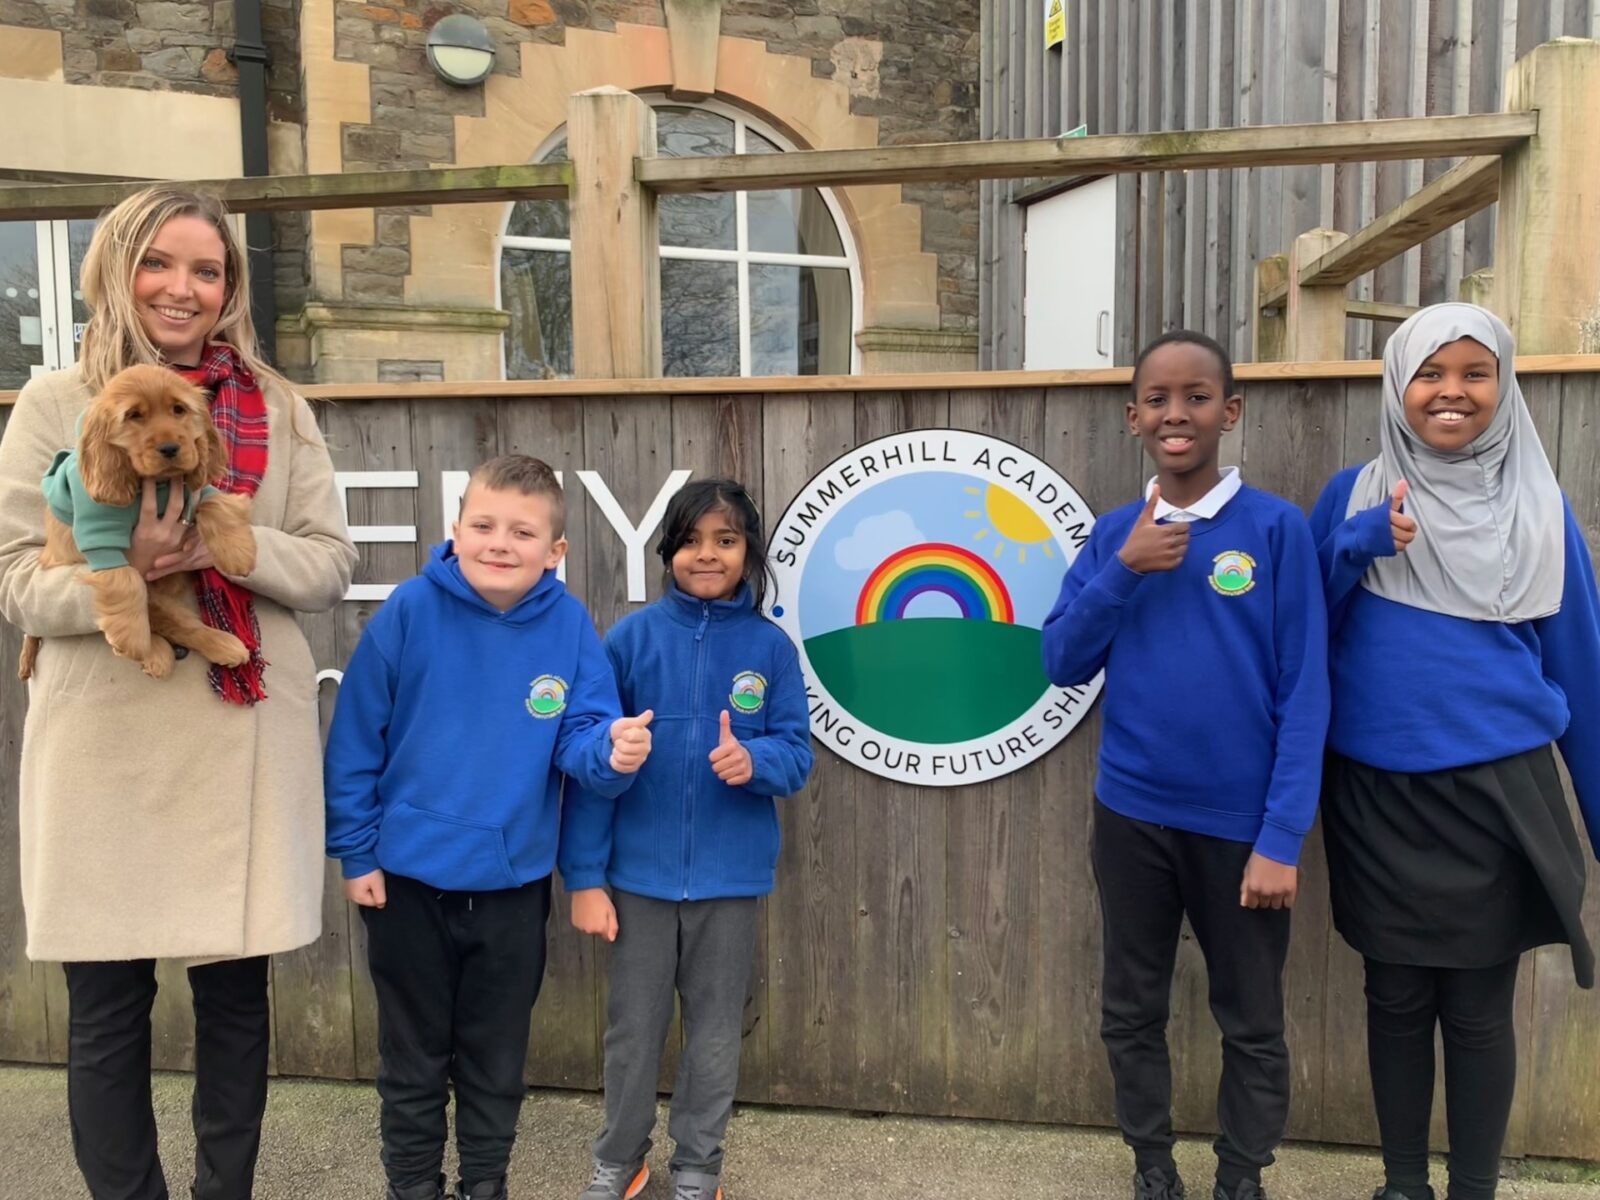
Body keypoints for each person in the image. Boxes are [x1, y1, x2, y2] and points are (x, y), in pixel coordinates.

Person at [0, 185, 357, 1200]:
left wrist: (219, 548)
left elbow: (330, 565)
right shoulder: (54, 403)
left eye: (208, 270)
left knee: (236, 999)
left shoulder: (277, 406)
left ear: (229, 288)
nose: (183, 288)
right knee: (105, 1004)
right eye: (161, 262)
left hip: (233, 728)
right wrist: (126, 574)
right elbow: (16, 577)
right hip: (102, 734)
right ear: (117, 266)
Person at [1309, 304, 1599, 1200]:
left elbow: (1581, 677)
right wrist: (1355, 548)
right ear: (1398, 384)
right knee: (1393, 1001)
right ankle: (1403, 1186)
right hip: (1376, 794)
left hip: (1497, 799)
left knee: (1476, 1010)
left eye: (1476, 373)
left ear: (1504, 385)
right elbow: (1297, 637)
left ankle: (1474, 1189)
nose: (1452, 392)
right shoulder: (1352, 498)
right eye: (1431, 373)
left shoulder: (1541, 513)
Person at [1040, 331, 1329, 1200]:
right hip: (1131, 817)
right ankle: (1153, 1168)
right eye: (1158, 399)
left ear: (1229, 412)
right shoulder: (1113, 537)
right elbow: (1060, 662)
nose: (1177, 413)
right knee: (1133, 1009)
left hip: (1243, 830)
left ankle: (1241, 1176)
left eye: (1197, 396)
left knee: (1251, 1018)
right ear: (1134, 418)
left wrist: (1281, 836)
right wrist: (1123, 571)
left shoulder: (1274, 530)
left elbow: (1306, 692)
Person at [324, 453, 655, 1200]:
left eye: (522, 531)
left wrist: (615, 750)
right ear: (456, 528)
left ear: (555, 551)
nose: (500, 543)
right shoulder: (409, 611)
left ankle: (484, 1186)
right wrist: (355, 852)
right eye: (484, 525)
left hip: (511, 889)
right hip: (405, 882)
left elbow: (584, 747)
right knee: (410, 1059)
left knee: (495, 1061)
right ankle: (412, 1187)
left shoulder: (570, 627)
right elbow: (354, 742)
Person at [561, 478, 814, 1200]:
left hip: (730, 884)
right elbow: (587, 762)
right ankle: (620, 1158)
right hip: (637, 882)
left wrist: (755, 761)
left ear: (748, 553)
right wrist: (586, 869)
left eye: (726, 541)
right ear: (668, 548)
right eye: (693, 540)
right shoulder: (630, 640)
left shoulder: (769, 649)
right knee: (633, 1032)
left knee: (711, 1035)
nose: (708, 555)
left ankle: (699, 1168)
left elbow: (797, 754)